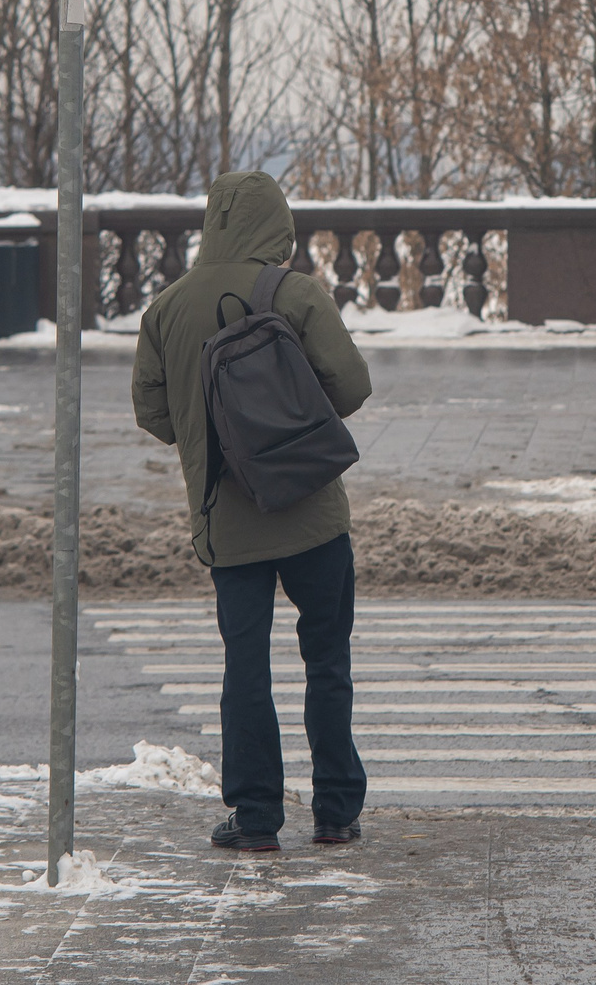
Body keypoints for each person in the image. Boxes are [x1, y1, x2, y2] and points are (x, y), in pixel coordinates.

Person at [133, 171, 373, 852]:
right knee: (327, 658)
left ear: (213, 224)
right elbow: (352, 386)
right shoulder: (295, 294)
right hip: (312, 512)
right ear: (279, 225)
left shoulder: (167, 308)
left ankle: (257, 815)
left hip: (226, 520)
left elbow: (153, 415)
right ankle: (336, 810)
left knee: (246, 667)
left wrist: (219, 433)